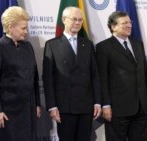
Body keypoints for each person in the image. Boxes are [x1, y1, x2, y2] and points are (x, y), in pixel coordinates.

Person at [0, 6, 41, 141]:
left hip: (27, 111)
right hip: (6, 113)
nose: (26, 32)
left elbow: (34, 78)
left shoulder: (27, 47)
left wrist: (36, 103)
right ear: (10, 27)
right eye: (23, 28)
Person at [42, 6, 101, 141]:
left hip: (86, 106)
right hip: (64, 107)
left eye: (80, 20)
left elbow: (95, 75)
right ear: (64, 20)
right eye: (74, 19)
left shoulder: (88, 44)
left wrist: (97, 102)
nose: (78, 23)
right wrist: (52, 106)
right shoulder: (52, 45)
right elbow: (48, 79)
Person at [96, 11, 147, 141]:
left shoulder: (138, 44)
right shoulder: (103, 47)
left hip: (141, 107)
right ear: (113, 27)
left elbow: (143, 73)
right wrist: (106, 105)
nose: (129, 25)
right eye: (124, 23)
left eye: (130, 22)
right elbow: (102, 78)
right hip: (117, 109)